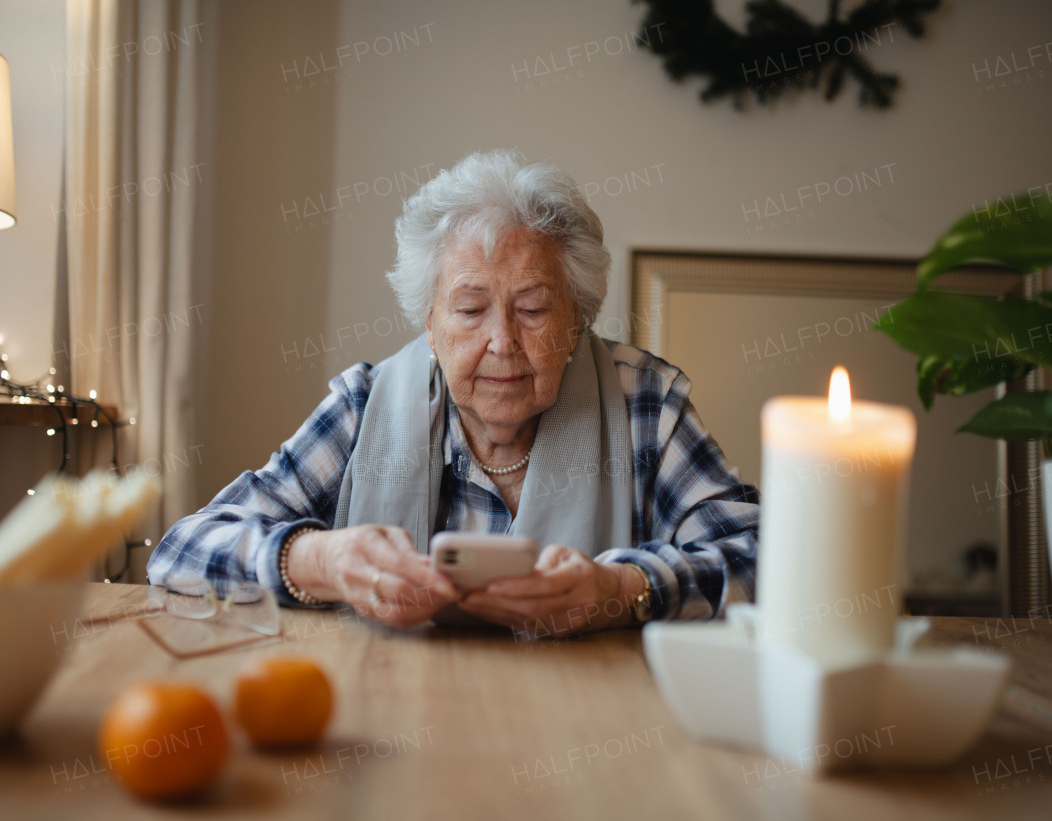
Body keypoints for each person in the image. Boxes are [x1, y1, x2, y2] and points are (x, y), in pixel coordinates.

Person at [149, 150, 758, 636]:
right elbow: (181, 550)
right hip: (387, 721)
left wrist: (621, 590)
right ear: (429, 323)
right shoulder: (365, 406)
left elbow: (765, 558)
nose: (502, 341)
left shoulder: (645, 404)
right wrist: (320, 561)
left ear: (578, 319)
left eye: (534, 308)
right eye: (470, 309)